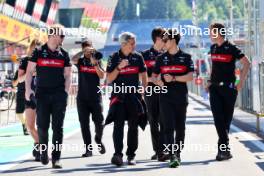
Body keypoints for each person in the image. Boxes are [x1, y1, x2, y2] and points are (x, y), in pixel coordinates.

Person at [25, 25, 72, 169]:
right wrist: (28, 90)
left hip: (59, 95)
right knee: (43, 127)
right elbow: (29, 72)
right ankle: (44, 151)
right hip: (42, 95)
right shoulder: (38, 52)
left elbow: (68, 75)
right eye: (61, 35)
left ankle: (56, 158)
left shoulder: (64, 54)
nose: (63, 38)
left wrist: (66, 92)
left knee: (58, 128)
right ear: (53, 35)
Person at [206, 23, 250, 161]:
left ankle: (223, 150)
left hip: (229, 88)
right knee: (218, 119)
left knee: (225, 121)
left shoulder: (231, 48)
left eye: (211, 32)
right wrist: (208, 81)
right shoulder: (212, 48)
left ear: (218, 33)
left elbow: (246, 63)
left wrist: (240, 82)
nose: (209, 34)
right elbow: (214, 67)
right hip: (214, 88)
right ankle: (224, 150)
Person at [153, 28, 194, 168]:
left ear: (173, 40)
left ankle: (178, 152)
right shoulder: (160, 58)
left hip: (181, 97)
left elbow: (190, 77)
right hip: (164, 97)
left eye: (165, 40)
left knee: (180, 128)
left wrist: (174, 78)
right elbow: (153, 76)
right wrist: (157, 81)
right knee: (168, 128)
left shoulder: (187, 57)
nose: (163, 42)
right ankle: (172, 155)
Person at [106, 32, 148, 166]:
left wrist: (143, 89)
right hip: (119, 97)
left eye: (134, 42)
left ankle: (131, 155)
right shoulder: (113, 57)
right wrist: (119, 67)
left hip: (134, 97)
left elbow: (144, 75)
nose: (134, 45)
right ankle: (118, 154)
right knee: (118, 126)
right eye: (132, 43)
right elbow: (108, 79)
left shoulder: (138, 57)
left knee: (133, 127)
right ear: (123, 44)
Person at [72, 39, 106, 157]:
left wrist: (95, 63)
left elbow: (102, 75)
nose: (88, 51)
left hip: (96, 97)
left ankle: (98, 139)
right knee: (84, 124)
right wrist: (82, 52)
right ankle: (88, 149)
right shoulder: (80, 61)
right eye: (86, 49)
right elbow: (72, 60)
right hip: (82, 98)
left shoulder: (97, 58)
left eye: (90, 48)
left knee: (99, 123)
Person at [141, 27, 169, 161]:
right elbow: (141, 75)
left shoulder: (169, 54)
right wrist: (153, 80)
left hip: (165, 91)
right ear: (158, 39)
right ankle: (158, 150)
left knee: (164, 120)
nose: (166, 40)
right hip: (151, 91)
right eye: (164, 38)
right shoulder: (144, 55)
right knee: (153, 121)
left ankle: (162, 149)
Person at [17, 39, 40, 161]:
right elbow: (19, 79)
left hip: (43, 97)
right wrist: (30, 73)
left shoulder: (44, 61)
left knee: (42, 126)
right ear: (30, 48)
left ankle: (41, 148)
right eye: (34, 48)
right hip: (29, 95)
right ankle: (39, 144)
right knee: (30, 126)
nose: (36, 50)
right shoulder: (25, 60)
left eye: (39, 48)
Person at [12, 66, 29, 135]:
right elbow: (14, 84)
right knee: (19, 112)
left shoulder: (34, 70)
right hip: (20, 93)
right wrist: (20, 78)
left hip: (31, 93)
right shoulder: (18, 71)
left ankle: (27, 128)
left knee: (30, 112)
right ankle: (24, 124)